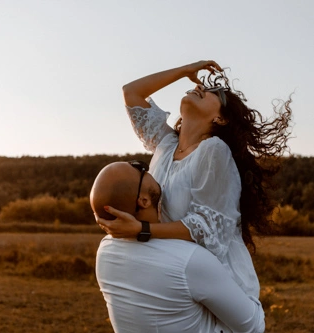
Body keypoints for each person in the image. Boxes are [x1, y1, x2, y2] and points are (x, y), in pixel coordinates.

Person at [96, 60, 293, 298]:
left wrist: (141, 229)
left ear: (221, 119)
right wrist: (184, 71)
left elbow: (208, 230)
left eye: (214, 94)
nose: (201, 89)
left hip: (220, 287)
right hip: (175, 275)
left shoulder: (213, 150)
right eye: (202, 87)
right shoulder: (166, 144)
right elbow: (131, 92)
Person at [91, 161, 265, 333]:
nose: (147, 168)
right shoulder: (189, 261)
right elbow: (253, 326)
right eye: (139, 168)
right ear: (143, 200)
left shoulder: (105, 251)